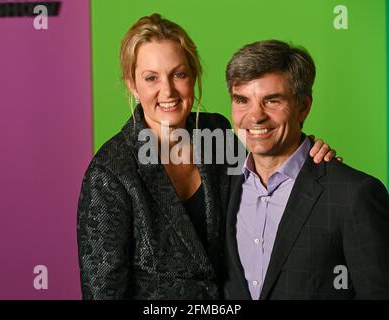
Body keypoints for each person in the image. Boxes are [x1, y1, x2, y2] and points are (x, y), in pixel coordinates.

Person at [77, 14, 336, 300]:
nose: (168, 91)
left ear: (194, 74)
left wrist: (308, 156)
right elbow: (103, 294)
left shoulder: (217, 132)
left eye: (179, 74)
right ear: (132, 84)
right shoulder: (111, 172)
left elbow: (264, 182)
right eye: (151, 78)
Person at [223, 40, 389, 300]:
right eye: (242, 100)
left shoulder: (353, 195)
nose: (255, 117)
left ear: (303, 106)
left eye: (272, 100)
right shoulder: (221, 185)